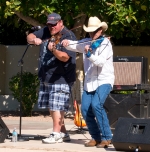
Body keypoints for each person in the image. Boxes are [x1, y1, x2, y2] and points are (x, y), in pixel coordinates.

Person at [62, 16, 114, 148]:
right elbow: (74, 45)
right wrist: (66, 42)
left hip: (104, 80)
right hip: (90, 82)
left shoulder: (106, 44)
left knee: (97, 105)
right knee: (85, 109)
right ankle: (95, 137)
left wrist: (89, 55)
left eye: (94, 31)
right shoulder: (86, 42)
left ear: (101, 30)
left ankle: (107, 137)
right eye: (90, 31)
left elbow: (101, 62)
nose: (92, 34)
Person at [27, 12, 76, 144]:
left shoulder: (69, 36)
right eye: (49, 25)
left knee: (56, 105)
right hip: (46, 75)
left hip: (61, 76)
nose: (51, 27)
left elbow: (65, 57)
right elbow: (29, 36)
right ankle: (63, 133)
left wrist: (53, 50)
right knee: (52, 105)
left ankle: (55, 133)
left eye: (54, 25)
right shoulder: (46, 31)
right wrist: (34, 40)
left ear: (60, 23)